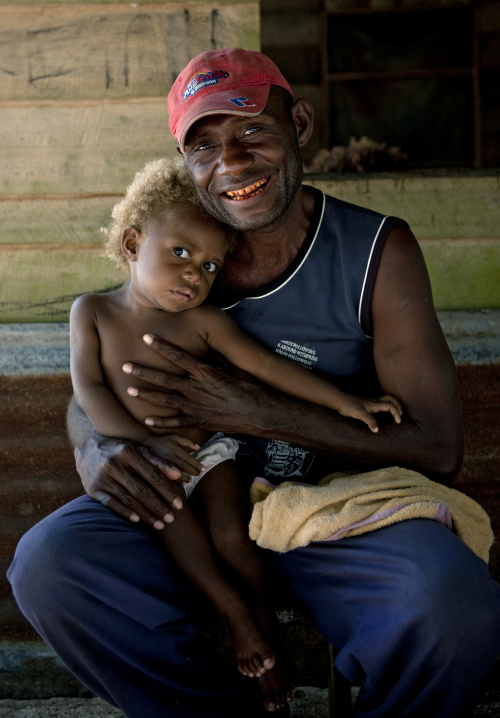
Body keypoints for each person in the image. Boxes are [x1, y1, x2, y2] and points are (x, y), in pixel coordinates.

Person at [8, 47, 500, 718]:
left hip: (330, 511)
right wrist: (97, 448)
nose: (231, 162)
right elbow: (97, 375)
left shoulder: (375, 251)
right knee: (50, 565)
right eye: (204, 145)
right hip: (188, 500)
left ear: (299, 124)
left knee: (452, 602)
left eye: (252, 131)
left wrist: (258, 413)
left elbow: (438, 448)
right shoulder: (173, 248)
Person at [69, 155, 402, 710]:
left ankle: (263, 626)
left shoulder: (204, 321)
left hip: (211, 453)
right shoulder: (93, 313)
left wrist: (347, 400)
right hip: (147, 461)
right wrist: (142, 443)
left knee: (230, 534)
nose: (194, 276)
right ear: (132, 245)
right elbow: (90, 392)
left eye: (209, 267)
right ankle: (237, 617)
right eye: (181, 254)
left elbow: (269, 370)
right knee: (181, 536)